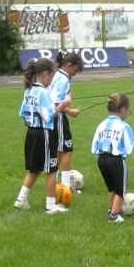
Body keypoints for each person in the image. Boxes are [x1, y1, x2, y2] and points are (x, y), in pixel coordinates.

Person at [14, 58, 71, 214]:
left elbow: (22, 113)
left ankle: (21, 199)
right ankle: (51, 205)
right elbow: (49, 116)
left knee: (34, 169)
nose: (51, 81)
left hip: (31, 132)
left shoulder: (28, 90)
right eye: (51, 78)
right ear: (45, 74)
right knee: (51, 169)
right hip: (44, 133)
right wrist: (62, 106)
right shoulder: (43, 92)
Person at [91, 93, 134, 223]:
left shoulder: (101, 124)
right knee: (120, 190)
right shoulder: (124, 126)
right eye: (128, 110)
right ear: (123, 110)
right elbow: (131, 145)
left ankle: (111, 208)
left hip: (101, 160)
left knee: (111, 188)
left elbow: (94, 144)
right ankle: (114, 215)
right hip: (116, 160)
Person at [50, 51, 84, 190]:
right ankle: (65, 187)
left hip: (53, 118)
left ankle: (60, 182)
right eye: (75, 70)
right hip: (58, 118)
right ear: (69, 65)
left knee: (60, 150)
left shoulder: (57, 75)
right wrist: (71, 112)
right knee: (67, 150)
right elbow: (55, 102)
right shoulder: (63, 79)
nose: (75, 74)